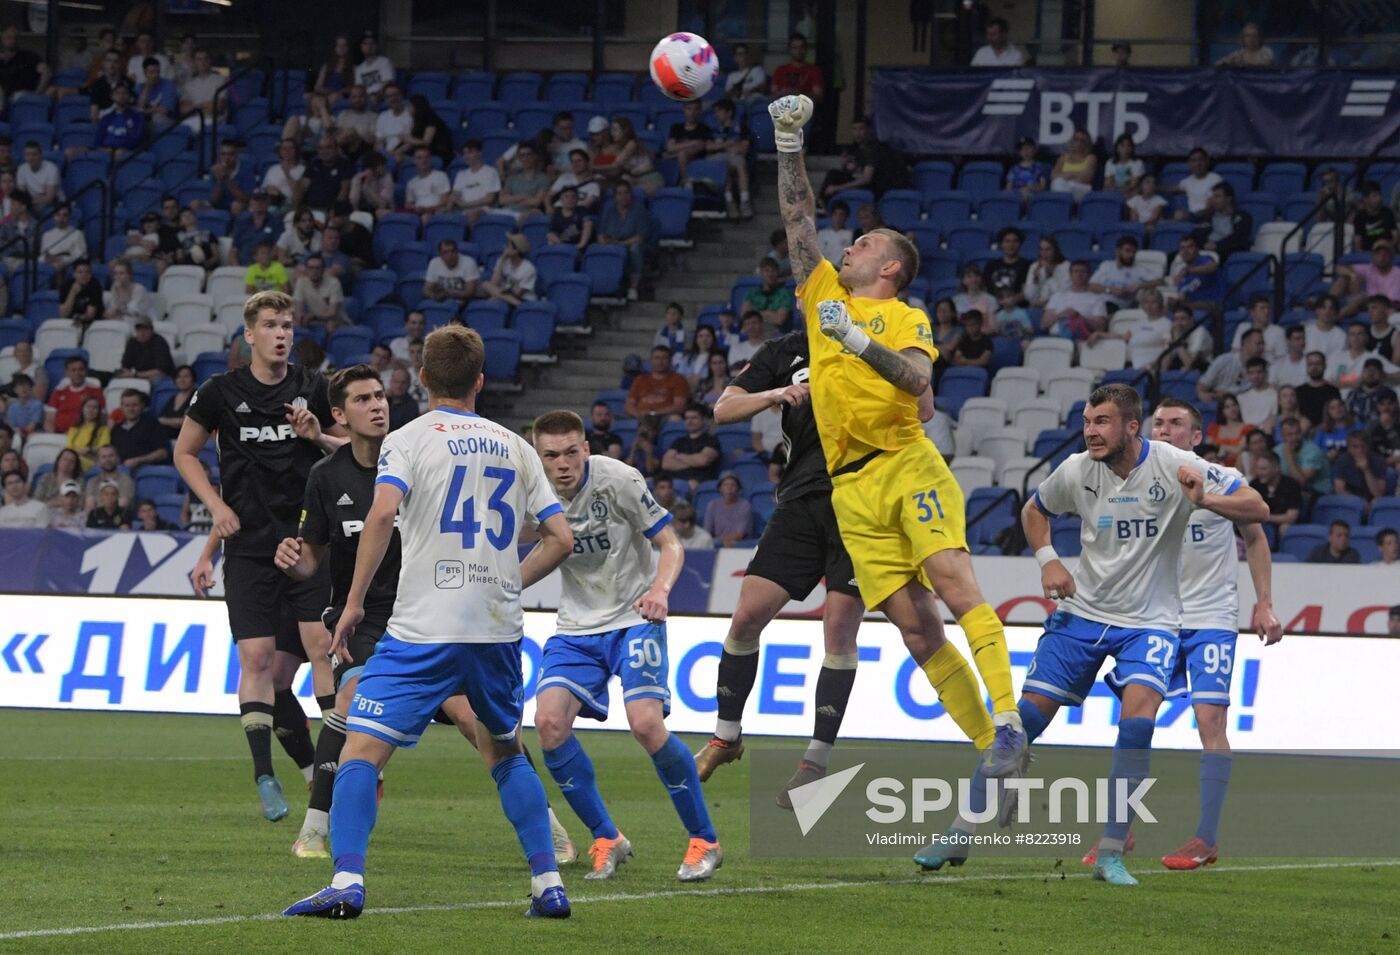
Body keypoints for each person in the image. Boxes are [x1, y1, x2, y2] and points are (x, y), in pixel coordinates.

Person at [771, 94, 1027, 795]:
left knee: (952, 584)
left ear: (889, 268)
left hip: (904, 462)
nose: (847, 247)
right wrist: (788, 141)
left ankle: (1008, 720)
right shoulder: (824, 295)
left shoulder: (903, 316)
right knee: (917, 633)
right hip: (850, 486)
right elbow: (799, 219)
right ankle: (995, 760)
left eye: (864, 245)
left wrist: (855, 341)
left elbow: (917, 378)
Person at [283, 325, 575, 920]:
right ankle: (548, 884)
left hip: (422, 628)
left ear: (420, 378)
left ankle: (346, 879)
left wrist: (356, 602)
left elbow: (383, 511)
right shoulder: (515, 445)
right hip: (495, 629)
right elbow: (560, 538)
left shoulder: (409, 440)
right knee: (506, 752)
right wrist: (506, 583)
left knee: (362, 750)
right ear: (481, 380)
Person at [921, 384, 1268, 882]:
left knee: (1136, 726)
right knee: (1020, 726)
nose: (1090, 431)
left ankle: (1110, 852)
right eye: (1087, 421)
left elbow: (1256, 508)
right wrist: (1048, 560)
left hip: (1149, 623)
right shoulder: (1077, 469)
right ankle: (959, 832)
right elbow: (1034, 511)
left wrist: (1206, 498)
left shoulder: (1172, 464)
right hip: (1081, 616)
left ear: (1130, 426)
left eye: (1101, 421)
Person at [692, 324, 887, 798]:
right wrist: (776, 392)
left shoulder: (875, 340)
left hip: (862, 503)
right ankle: (726, 736)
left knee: (839, 631)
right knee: (745, 617)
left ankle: (815, 762)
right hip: (800, 500)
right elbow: (723, 409)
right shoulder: (783, 350)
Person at [527, 409, 720, 882]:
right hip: (575, 627)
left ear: (586, 449)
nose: (563, 463)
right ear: (540, 457)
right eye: (551, 455)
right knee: (549, 723)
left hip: (635, 617)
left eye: (572, 451)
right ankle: (606, 837)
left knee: (646, 725)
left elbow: (671, 545)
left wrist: (659, 591)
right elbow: (543, 550)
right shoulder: (531, 492)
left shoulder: (620, 480)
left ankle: (705, 840)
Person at [177, 290, 343, 823]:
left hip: (305, 545)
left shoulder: (311, 389)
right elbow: (185, 453)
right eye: (270, 325)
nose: (281, 334)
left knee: (318, 654)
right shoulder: (220, 392)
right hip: (248, 549)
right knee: (257, 663)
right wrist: (214, 511)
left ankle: (337, 771)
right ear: (249, 334)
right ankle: (266, 774)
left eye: (288, 326)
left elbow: (356, 451)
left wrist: (317, 436)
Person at [1149, 398, 1282, 869]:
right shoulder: (1135, 481)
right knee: (1134, 718)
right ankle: (1116, 834)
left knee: (1209, 721)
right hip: (1156, 619)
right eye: (1158, 423)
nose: (1165, 431)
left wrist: (1264, 604)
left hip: (1210, 617)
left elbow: (1257, 525)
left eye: (1176, 424)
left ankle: (1205, 839)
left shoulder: (1216, 474)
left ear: (1196, 435)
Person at [597, 181, 651, 301]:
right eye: (619, 193)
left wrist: (621, 244)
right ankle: (607, 286)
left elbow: (640, 236)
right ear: (615, 196)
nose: (623, 196)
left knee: (635, 249)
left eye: (626, 193)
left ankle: (633, 287)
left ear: (631, 194)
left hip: (631, 243)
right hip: (612, 243)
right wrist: (604, 245)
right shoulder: (608, 209)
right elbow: (601, 233)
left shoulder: (639, 209)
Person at [660, 403, 722, 492]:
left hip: (698, 481)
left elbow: (703, 460)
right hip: (673, 481)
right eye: (687, 418)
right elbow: (666, 464)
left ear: (703, 419)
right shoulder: (679, 441)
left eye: (694, 418)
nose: (689, 421)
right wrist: (693, 461)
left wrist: (679, 456)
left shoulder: (711, 440)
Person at [708, 97, 753, 219]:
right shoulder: (713, 128)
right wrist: (727, 144)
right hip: (718, 158)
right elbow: (708, 147)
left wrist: (720, 146)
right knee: (723, 166)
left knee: (740, 164)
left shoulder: (741, 127)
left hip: (735, 157)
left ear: (729, 112)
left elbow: (743, 148)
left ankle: (744, 201)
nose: (716, 114)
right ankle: (729, 201)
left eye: (719, 111)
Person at [1090, 235, 1158, 313]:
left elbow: (1160, 282)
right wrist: (1110, 290)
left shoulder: (1139, 269)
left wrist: (1139, 286)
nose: (1131, 255)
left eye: (1133, 252)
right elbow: (1091, 285)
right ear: (1118, 251)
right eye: (1128, 251)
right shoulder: (1106, 265)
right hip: (1097, 302)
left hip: (1116, 307)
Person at [1331, 241, 1400, 318]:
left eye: (1385, 254)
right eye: (1378, 254)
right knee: (1344, 278)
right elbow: (1339, 268)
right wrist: (1352, 275)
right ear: (1373, 256)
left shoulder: (1397, 274)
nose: (1381, 257)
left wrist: (1364, 298)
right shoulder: (1370, 268)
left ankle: (1335, 317)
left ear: (1392, 256)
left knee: (1361, 298)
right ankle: (1329, 302)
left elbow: (1392, 301)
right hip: (1365, 302)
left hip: (1386, 305)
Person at [1187, 182, 1253, 262]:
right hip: (1205, 251)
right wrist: (1204, 245)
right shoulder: (1208, 217)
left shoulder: (1243, 216)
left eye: (1217, 196)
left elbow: (1239, 238)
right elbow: (1196, 234)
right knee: (1174, 255)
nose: (1213, 200)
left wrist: (1217, 245)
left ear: (1228, 199)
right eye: (1213, 196)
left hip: (1227, 252)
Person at [1041, 260, 1106, 339]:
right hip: (1054, 337)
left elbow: (1100, 327)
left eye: (1083, 271)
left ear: (1089, 275)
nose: (1079, 274)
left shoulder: (1097, 299)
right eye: (1076, 271)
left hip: (1079, 338)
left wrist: (1079, 317)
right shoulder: (1057, 296)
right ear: (1070, 275)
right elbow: (1044, 324)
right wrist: (1061, 315)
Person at [1275, 415, 1331, 500]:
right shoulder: (1276, 451)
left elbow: (1300, 483)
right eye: (1289, 435)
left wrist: (1289, 457)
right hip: (1290, 492)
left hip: (1319, 493)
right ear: (1282, 436)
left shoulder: (1313, 451)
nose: (1294, 438)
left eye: (1297, 433)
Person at [111, 389, 169, 471]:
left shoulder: (153, 425)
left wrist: (138, 460)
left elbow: (163, 453)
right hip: (120, 471)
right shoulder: (116, 428)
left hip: (146, 470)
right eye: (127, 405)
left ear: (142, 405)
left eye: (134, 405)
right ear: (121, 407)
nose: (131, 409)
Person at [47, 354, 103, 435]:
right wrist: (53, 436)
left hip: (83, 436)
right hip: (59, 436)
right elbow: (49, 419)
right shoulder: (59, 391)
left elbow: (101, 418)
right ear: (67, 372)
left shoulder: (95, 391)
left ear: (86, 371)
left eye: (81, 370)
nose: (77, 373)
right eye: (73, 370)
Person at [1249, 449, 1302, 534]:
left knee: (1285, 527)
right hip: (1261, 524)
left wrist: (1264, 517)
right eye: (1257, 469)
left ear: (1276, 468)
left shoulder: (1292, 485)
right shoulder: (1254, 484)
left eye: (1263, 469)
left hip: (1282, 525)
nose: (1259, 473)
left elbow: (1291, 517)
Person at [451, 140, 502, 223]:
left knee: (472, 215)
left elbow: (489, 199)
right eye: (465, 153)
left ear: (479, 153)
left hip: (484, 209)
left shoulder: (491, 171)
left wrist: (465, 205)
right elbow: (455, 195)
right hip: (463, 210)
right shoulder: (461, 174)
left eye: (470, 152)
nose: (466, 156)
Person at [480, 233, 537, 306]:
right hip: (505, 295)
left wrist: (499, 295)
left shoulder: (529, 268)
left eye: (508, 246)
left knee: (494, 299)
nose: (505, 248)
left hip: (522, 299)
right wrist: (502, 260)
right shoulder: (503, 261)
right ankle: (503, 298)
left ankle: (507, 300)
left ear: (516, 251)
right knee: (485, 284)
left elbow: (518, 294)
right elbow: (493, 283)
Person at [292, 254, 346, 331]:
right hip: (313, 320)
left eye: (318, 268)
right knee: (292, 323)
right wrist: (301, 319)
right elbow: (298, 309)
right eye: (311, 268)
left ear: (323, 270)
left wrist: (314, 317)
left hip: (334, 320)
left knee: (331, 325)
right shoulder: (301, 282)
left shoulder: (334, 283)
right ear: (306, 270)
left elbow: (332, 313)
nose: (314, 271)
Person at [664, 99, 712, 183]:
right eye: (689, 109)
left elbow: (698, 148)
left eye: (695, 109)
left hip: (695, 160)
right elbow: (670, 147)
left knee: (682, 154)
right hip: (676, 159)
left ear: (700, 111)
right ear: (684, 110)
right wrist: (692, 142)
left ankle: (685, 182)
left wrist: (675, 152)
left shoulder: (704, 129)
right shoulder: (676, 127)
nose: (692, 113)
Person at [1332, 430, 1388, 502]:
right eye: (1355, 447)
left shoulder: (1378, 461)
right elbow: (1340, 490)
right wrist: (1360, 504)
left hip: (1374, 500)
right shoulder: (1342, 461)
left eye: (1363, 446)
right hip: (1350, 500)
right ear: (1348, 448)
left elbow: (1378, 494)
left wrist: (1366, 470)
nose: (1360, 450)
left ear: (1369, 446)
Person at [117, 314, 176, 381]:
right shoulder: (132, 343)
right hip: (140, 377)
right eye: (139, 330)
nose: (142, 333)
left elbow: (160, 371)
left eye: (145, 329)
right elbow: (125, 366)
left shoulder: (159, 342)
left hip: (162, 378)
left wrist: (135, 374)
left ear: (151, 330)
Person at [93, 81, 144, 156]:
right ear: (112, 96)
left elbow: (136, 139)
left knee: (119, 153)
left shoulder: (137, 117)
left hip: (124, 151)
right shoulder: (106, 118)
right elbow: (98, 139)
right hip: (106, 150)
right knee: (72, 151)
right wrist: (101, 148)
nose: (121, 96)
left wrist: (114, 149)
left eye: (124, 93)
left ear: (129, 96)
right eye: (117, 93)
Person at [985, 227, 1030, 310]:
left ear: (1020, 244)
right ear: (1001, 244)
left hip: (1017, 309)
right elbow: (985, 289)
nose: (1011, 245)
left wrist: (1010, 301)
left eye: (1015, 241)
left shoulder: (1026, 265)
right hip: (993, 308)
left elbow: (1026, 291)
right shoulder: (991, 265)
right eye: (1007, 241)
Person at [178, 49, 225, 129]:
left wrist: (195, 107)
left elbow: (219, 106)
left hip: (214, 123)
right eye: (199, 59)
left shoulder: (220, 80)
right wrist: (205, 105)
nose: (203, 62)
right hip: (192, 122)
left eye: (206, 58)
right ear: (194, 62)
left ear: (210, 61)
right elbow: (183, 109)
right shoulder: (189, 84)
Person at [770, 33, 824, 103]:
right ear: (790, 50)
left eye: (801, 47)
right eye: (795, 48)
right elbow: (773, 94)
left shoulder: (814, 70)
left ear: (806, 49)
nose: (798, 51)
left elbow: (818, 96)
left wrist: (799, 94)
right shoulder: (780, 70)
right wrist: (783, 93)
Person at [423, 239, 479, 304]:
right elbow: (426, 290)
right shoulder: (434, 263)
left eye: (453, 251)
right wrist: (434, 296)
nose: (450, 255)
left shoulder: (469, 262)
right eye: (445, 252)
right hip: (441, 302)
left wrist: (449, 295)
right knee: (415, 314)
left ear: (457, 252)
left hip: (464, 303)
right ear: (440, 255)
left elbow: (470, 292)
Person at [59, 257, 104, 338]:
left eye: (87, 272)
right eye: (80, 272)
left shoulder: (95, 286)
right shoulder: (66, 286)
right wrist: (72, 293)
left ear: (91, 274)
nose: (84, 275)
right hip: (69, 322)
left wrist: (79, 318)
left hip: (91, 323)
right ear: (74, 274)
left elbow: (90, 314)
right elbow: (63, 314)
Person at [1049, 128, 1097, 203]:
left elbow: (1087, 178)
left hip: (1082, 189)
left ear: (1087, 143)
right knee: (1058, 182)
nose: (1079, 143)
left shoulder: (1090, 158)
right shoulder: (1064, 158)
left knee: (1061, 183)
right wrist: (1075, 175)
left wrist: (1067, 175)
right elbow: (1053, 176)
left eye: (1082, 140)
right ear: (1072, 141)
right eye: (1076, 139)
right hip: (1065, 187)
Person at [1174, 148, 1223, 217]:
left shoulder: (1216, 179)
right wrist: (1155, 187)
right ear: (1189, 164)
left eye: (1201, 160)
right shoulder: (1186, 182)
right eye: (1194, 161)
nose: (1198, 164)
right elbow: (1173, 188)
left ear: (1207, 161)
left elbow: (1211, 209)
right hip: (1192, 220)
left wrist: (1189, 216)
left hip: (1209, 219)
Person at [40, 203, 86, 276]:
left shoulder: (77, 233)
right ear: (54, 216)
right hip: (48, 263)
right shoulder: (46, 235)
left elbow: (80, 256)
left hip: (65, 264)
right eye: (58, 215)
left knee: (58, 266)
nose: (61, 219)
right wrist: (47, 259)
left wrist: (61, 259)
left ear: (69, 217)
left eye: (65, 215)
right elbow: (41, 255)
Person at [1024, 235, 1070, 308]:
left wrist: (1052, 273)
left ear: (1055, 250)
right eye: (1041, 249)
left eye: (1048, 249)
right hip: (1037, 307)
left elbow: (1065, 293)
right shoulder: (1035, 266)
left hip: (1059, 306)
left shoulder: (1066, 266)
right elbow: (1029, 296)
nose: (1044, 253)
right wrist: (1035, 280)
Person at [1351, 181, 1397, 252]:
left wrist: (1388, 247)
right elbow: (1357, 241)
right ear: (1366, 199)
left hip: (1387, 252)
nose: (1379, 198)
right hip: (1367, 254)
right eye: (1375, 196)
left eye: (1379, 195)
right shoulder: (1359, 217)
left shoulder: (1387, 213)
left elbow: (1396, 236)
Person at [68, 404, 113, 476]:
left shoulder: (103, 429)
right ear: (82, 409)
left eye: (95, 407)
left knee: (73, 463)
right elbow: (69, 448)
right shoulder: (73, 429)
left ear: (98, 411)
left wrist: (89, 449)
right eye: (88, 407)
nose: (91, 410)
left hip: (91, 461)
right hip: (73, 458)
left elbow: (104, 449)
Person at [547, 185, 593, 251]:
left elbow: (588, 226)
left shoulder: (582, 210)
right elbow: (550, 234)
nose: (570, 199)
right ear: (561, 199)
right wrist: (561, 245)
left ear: (577, 199)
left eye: (573, 197)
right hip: (562, 247)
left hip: (578, 249)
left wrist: (580, 245)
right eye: (566, 196)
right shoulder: (557, 212)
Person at [353, 31, 395, 104]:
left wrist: (377, 94)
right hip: (365, 99)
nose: (369, 46)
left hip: (382, 97)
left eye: (372, 43)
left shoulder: (384, 62)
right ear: (361, 47)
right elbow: (359, 88)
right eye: (365, 44)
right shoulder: (359, 69)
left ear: (376, 46)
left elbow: (388, 82)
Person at [158, 365, 197, 437]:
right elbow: (161, 418)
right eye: (178, 377)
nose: (182, 380)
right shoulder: (173, 397)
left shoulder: (197, 397)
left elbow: (187, 422)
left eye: (186, 376)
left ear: (193, 379)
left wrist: (167, 421)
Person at [373, 83, 412, 156]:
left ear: (402, 95)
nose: (394, 98)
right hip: (387, 154)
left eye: (396, 94)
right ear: (386, 99)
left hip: (405, 153)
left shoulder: (411, 114)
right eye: (390, 96)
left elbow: (412, 142)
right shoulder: (383, 116)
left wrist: (396, 153)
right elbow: (379, 142)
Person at [313, 33, 354, 103]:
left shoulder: (353, 68)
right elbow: (317, 87)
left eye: (344, 45)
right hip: (326, 95)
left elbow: (354, 88)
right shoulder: (327, 66)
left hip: (343, 97)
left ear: (348, 47)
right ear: (335, 48)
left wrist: (341, 92)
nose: (341, 48)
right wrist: (326, 91)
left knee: (334, 97)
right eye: (339, 45)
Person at [1005, 137, 1048, 201]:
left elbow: (1042, 186)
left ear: (1034, 150)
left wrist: (1030, 188)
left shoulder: (1040, 167)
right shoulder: (1014, 168)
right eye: (1022, 149)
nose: (1025, 151)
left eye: (1028, 148)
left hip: (1033, 195)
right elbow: (1009, 186)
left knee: (1026, 196)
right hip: (1016, 195)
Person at [4, 373, 44, 437]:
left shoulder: (37, 404)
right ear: (15, 390)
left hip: (34, 435)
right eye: (20, 385)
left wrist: (19, 432)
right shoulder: (12, 408)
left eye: (26, 385)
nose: (23, 388)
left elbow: (31, 427)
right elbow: (11, 427)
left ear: (31, 388)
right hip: (17, 436)